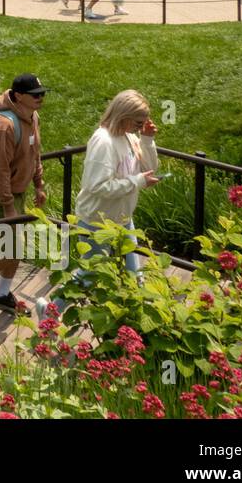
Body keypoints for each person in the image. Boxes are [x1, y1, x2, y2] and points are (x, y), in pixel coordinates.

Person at [37, 90, 159, 319]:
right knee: (90, 273)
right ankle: (50, 309)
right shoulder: (103, 142)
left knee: (135, 274)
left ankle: (135, 323)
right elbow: (97, 186)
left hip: (122, 218)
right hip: (97, 219)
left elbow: (148, 169)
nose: (141, 126)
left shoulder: (130, 137)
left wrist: (148, 140)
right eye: (139, 122)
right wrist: (137, 182)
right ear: (124, 116)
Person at [0, 74, 48, 312]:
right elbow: (0, 171)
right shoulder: (4, 126)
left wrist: (38, 183)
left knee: (14, 245)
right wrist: (7, 205)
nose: (41, 98)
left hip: (18, 189)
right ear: (19, 96)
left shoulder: (32, 116)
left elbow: (35, 152)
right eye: (35, 95)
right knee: (13, 246)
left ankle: (2, 293)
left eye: (42, 93)